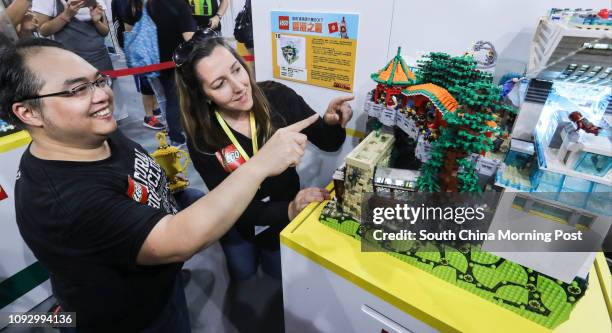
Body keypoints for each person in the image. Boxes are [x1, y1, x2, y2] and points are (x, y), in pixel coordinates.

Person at [0, 37, 317, 332]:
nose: (102, 96)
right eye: (76, 90)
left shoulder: (90, 133)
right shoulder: (64, 200)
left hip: (161, 282)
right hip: (135, 317)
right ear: (27, 111)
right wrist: (261, 164)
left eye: (98, 80)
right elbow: (177, 239)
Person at [175, 35, 354, 281]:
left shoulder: (277, 97)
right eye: (219, 84)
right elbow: (228, 204)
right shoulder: (202, 138)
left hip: (283, 206)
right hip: (239, 217)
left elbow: (329, 142)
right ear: (204, 96)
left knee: (275, 270)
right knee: (244, 273)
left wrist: (332, 122)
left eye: (237, 70)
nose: (239, 86)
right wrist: (291, 208)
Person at [125, 0, 196, 146]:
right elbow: (189, 38)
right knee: (176, 99)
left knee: (165, 98)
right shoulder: (179, 5)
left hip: (153, 60)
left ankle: (173, 131)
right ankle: (177, 136)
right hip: (177, 60)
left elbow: (129, 31)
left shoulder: (142, 5)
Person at [32, 0, 112, 71]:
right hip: (70, 64)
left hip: (101, 60)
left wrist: (97, 22)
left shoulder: (97, 2)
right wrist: (67, 15)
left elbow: (105, 32)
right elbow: (43, 31)